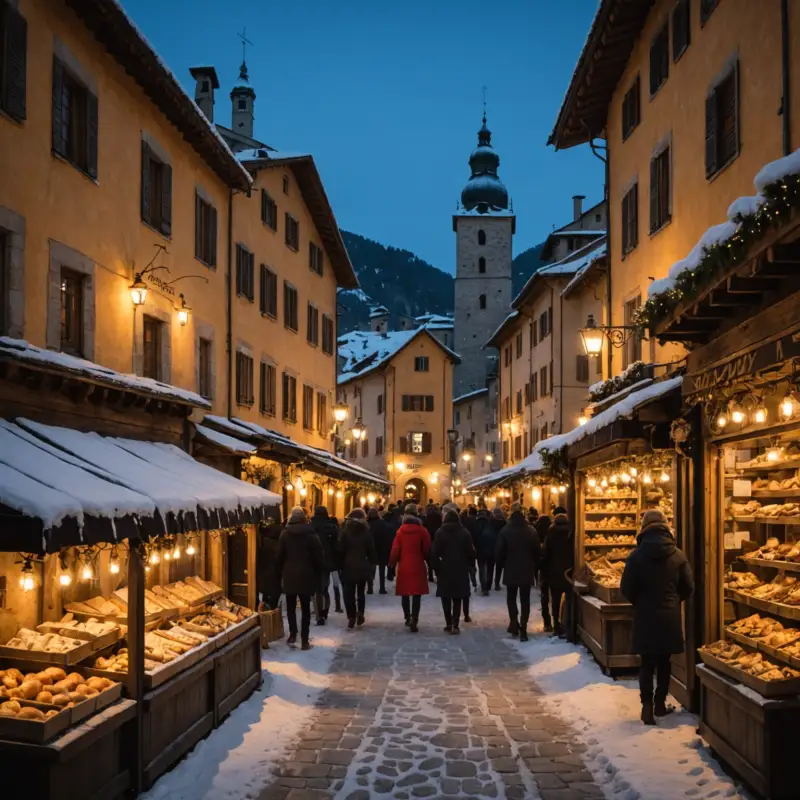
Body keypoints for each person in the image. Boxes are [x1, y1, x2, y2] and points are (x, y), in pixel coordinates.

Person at [621, 509, 694, 726]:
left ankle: (646, 706)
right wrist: (674, 600)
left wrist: (640, 601)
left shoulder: (636, 556)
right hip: (669, 615)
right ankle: (660, 703)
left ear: (644, 527)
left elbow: (626, 588)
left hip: (645, 615)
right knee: (664, 661)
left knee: (646, 662)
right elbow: (688, 587)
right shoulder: (678, 555)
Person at [275, 506, 324, 650]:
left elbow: (279, 556)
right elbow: (319, 557)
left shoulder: (285, 534)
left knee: (290, 607)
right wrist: (318, 573)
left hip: (289, 575)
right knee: (305, 608)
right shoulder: (311, 535)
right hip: (306, 575)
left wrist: (278, 573)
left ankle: (292, 633)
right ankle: (304, 639)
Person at [495, 503, 541, 641]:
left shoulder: (505, 531)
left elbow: (499, 553)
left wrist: (502, 565)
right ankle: (524, 628)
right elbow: (537, 551)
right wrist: (535, 566)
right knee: (525, 599)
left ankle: (514, 623)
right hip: (527, 569)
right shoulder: (531, 531)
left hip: (511, 569)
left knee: (511, 598)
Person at [431, 508, 476, 634]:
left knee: (445, 597)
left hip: (445, 568)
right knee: (457, 597)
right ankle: (455, 624)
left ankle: (448, 623)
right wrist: (470, 565)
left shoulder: (440, 532)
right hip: (460, 568)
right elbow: (471, 552)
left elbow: (434, 553)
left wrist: (436, 567)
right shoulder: (464, 533)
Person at [389, 503, 431, 632]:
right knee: (417, 594)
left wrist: (392, 563)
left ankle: (407, 617)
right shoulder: (422, 531)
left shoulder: (400, 531)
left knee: (405, 593)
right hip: (418, 564)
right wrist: (428, 560)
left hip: (404, 565)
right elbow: (427, 549)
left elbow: (396, 549)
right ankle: (415, 618)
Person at [338, 508, 377, 629]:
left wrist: (339, 564)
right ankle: (360, 612)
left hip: (348, 566)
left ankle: (351, 615)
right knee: (360, 592)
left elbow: (340, 550)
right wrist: (371, 564)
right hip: (362, 566)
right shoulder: (366, 531)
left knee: (348, 593)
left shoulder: (345, 532)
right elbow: (371, 550)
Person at [542, 507, 573, 637]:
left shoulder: (551, 534)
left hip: (554, 572)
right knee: (570, 600)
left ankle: (556, 624)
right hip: (569, 573)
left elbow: (545, 555)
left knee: (555, 600)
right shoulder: (571, 534)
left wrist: (544, 573)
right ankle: (569, 623)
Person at [310, 505, 339, 625]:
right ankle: (325, 611)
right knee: (325, 588)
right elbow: (336, 546)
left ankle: (318, 615)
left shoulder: (309, 526)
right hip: (327, 562)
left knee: (316, 589)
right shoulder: (331, 527)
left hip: (313, 562)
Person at [256, 519, 282, 610]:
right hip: (276, 574)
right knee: (274, 598)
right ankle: (272, 612)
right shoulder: (281, 537)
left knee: (265, 596)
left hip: (264, 573)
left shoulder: (262, 539)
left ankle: (265, 611)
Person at [368, 507, 394, 594]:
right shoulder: (383, 523)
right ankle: (382, 588)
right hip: (382, 548)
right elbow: (389, 533)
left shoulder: (367, 524)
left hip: (371, 549)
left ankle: (370, 588)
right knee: (382, 569)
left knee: (371, 568)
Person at [535, 512, 553, 631]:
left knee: (544, 596)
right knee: (555, 597)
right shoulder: (553, 535)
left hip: (545, 571)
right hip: (556, 571)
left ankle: (547, 622)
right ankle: (557, 620)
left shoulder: (537, 534)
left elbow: (539, 555)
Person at [476, 508, 494, 596]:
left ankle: (483, 587)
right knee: (490, 568)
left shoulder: (475, 524)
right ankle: (488, 585)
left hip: (480, 550)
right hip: (490, 549)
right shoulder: (490, 524)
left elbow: (473, 537)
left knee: (482, 568)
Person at [423, 503, 442, 582]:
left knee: (429, 557)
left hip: (429, 537)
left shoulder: (427, 516)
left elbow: (425, 526)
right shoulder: (438, 515)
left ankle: (430, 574)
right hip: (437, 537)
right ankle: (437, 574)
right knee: (436, 556)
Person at [383, 503, 402, 582]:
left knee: (390, 556)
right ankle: (391, 572)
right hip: (394, 537)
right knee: (394, 556)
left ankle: (390, 573)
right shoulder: (397, 519)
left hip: (388, 539)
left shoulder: (386, 517)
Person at [489, 507, 507, 590]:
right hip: (501, 546)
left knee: (491, 566)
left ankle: (489, 583)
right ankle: (497, 583)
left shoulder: (490, 522)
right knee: (499, 567)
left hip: (492, 545)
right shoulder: (504, 523)